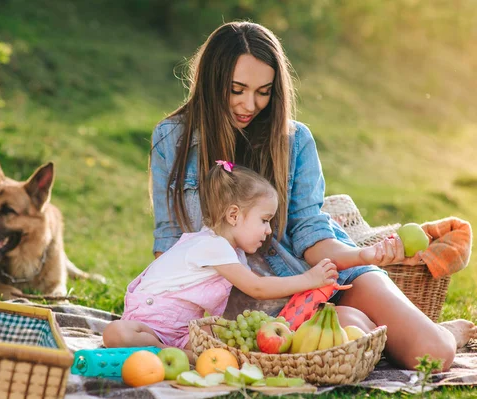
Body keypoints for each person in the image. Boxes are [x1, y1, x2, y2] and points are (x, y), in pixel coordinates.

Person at [143, 21, 476, 371]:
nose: (250, 104)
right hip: (247, 301)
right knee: (341, 341)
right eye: (236, 90)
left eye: (264, 91)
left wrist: (365, 254)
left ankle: (436, 332)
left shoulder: (294, 140)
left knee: (432, 354)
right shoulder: (172, 139)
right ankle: (359, 325)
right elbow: (170, 238)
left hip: (317, 274)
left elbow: (310, 235)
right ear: (212, 83)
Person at [103, 162, 340, 354]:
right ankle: (163, 350)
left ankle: (171, 352)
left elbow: (257, 288)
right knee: (115, 333)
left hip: (181, 330)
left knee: (224, 346)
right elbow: (257, 287)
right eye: (265, 220)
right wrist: (310, 279)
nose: (268, 231)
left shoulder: (232, 254)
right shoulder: (211, 246)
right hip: (150, 322)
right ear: (234, 215)